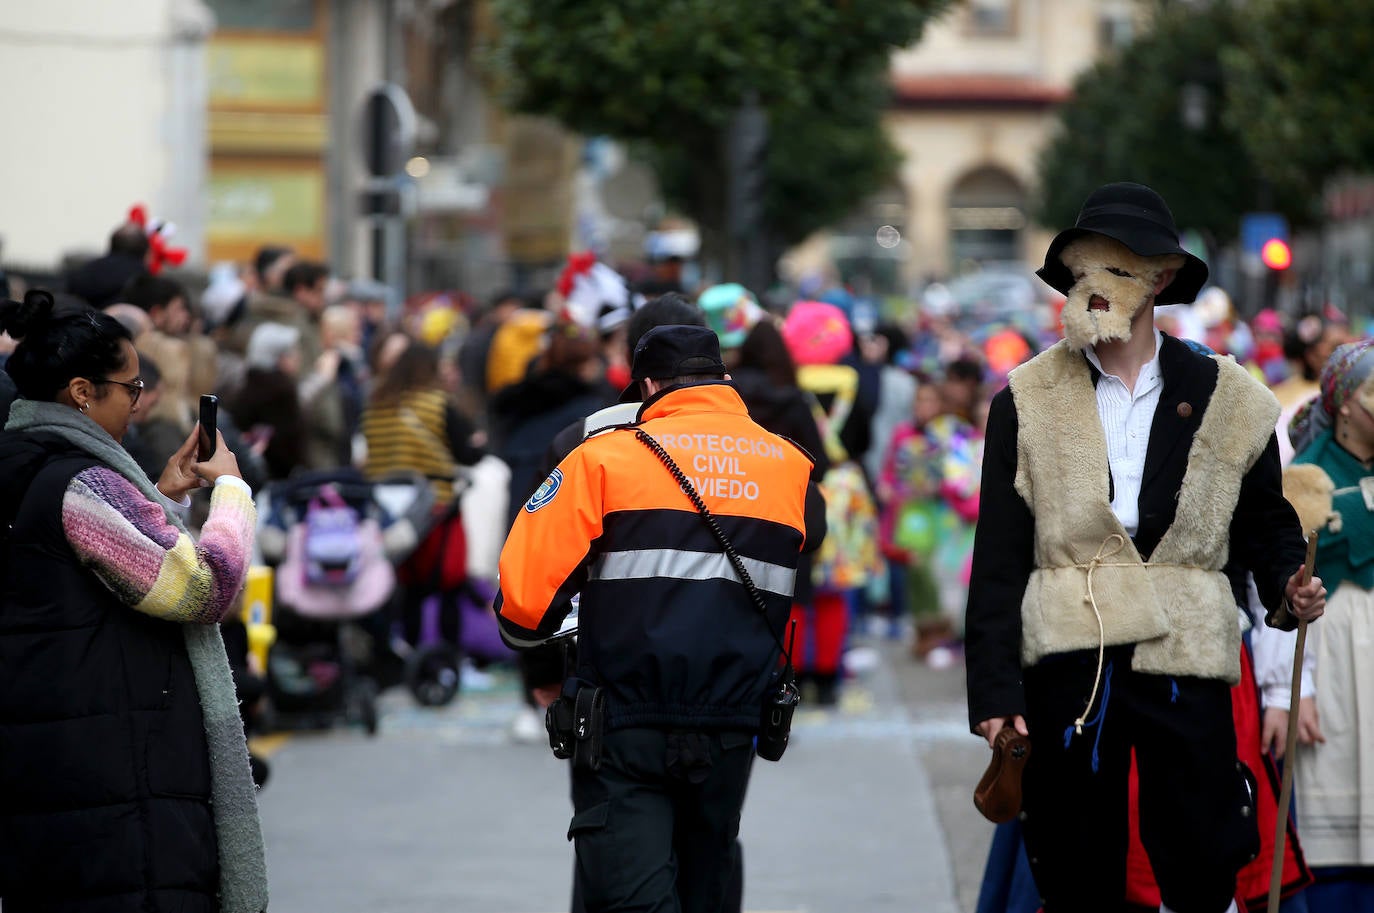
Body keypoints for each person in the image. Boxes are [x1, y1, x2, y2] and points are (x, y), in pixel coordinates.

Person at [965, 182, 1326, 913]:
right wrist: (996, 695)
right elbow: (1000, 554)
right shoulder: (1025, 399)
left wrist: (1289, 583)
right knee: (1073, 860)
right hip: (1074, 652)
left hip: (1182, 645)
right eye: (1081, 270)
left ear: (1161, 278)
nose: (1094, 288)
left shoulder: (1230, 395)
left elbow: (1263, 522)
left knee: (1201, 852)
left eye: (1118, 268)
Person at [496, 325, 826, 913]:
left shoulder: (601, 458)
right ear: (724, 379)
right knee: (707, 891)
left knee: (634, 895)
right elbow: (812, 541)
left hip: (627, 719)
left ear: (647, 385)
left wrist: (536, 641)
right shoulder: (788, 465)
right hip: (734, 722)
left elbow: (524, 603)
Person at [0, 289, 267, 913]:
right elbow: (204, 587)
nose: (140, 401)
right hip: (111, 775)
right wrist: (230, 489)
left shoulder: (24, 464)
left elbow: (89, 575)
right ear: (81, 392)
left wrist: (157, 502)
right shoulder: (84, 483)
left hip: (53, 760)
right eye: (131, 387)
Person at [1283, 338, 1374, 912]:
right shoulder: (1307, 477)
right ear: (1343, 403)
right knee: (1330, 804)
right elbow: (1276, 591)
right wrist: (1298, 690)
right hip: (1332, 649)